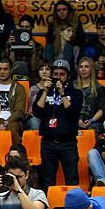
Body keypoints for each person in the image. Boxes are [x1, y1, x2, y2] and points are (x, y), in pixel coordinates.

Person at [33, 59, 83, 190]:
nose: (58, 77)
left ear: (68, 76)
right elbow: (37, 112)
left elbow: (73, 114)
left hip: (68, 142)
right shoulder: (44, 92)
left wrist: (62, 93)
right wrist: (44, 91)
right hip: (48, 142)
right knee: (47, 180)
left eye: (62, 74)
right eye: (55, 74)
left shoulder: (75, 93)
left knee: (72, 179)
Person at [74, 57, 105, 139]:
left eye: (86, 67)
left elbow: (101, 110)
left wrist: (91, 120)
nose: (83, 69)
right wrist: (77, 120)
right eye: (81, 67)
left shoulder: (99, 88)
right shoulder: (73, 87)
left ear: (91, 69)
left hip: (94, 121)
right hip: (76, 121)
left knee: (92, 130)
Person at [25, 61, 52, 131]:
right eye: (41, 69)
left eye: (47, 69)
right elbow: (29, 109)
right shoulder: (33, 89)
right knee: (35, 123)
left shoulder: (54, 89)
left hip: (50, 116)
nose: (44, 72)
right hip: (35, 117)